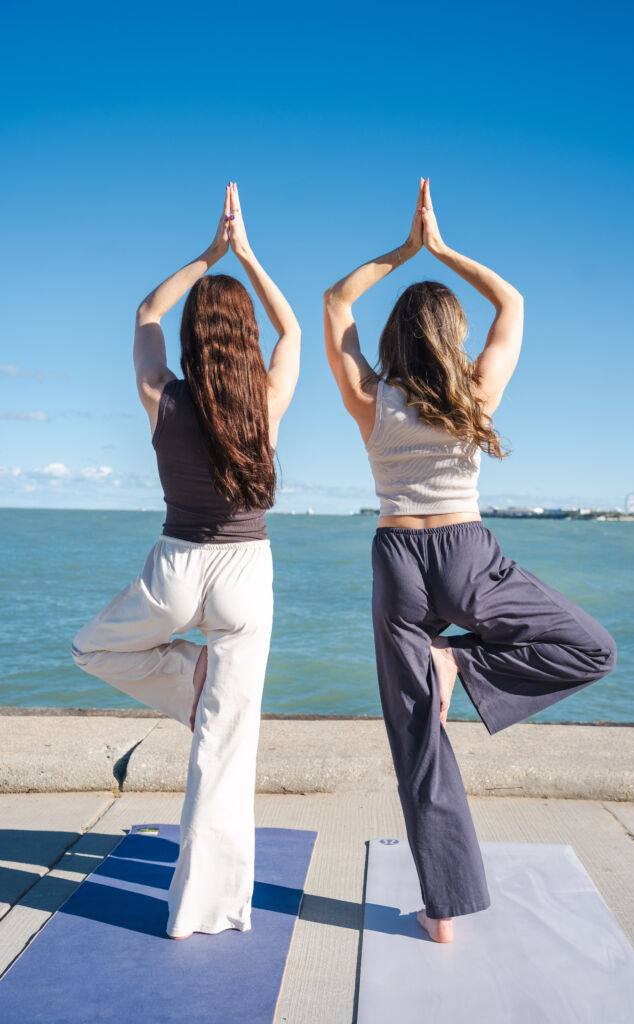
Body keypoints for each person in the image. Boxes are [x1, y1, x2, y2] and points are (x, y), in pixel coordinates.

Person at [323, 178, 617, 943]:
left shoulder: (369, 396)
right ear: (450, 335)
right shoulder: (475, 393)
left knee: (416, 741)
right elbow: (513, 303)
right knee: (591, 649)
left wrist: (402, 250)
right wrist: (445, 248)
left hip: (397, 557)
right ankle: (465, 667)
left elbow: (332, 301)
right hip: (465, 552)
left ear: (396, 336)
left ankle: (443, 908)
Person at [71, 182, 301, 939]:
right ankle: (201, 909)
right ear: (242, 337)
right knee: (224, 752)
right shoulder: (265, 399)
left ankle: (183, 677)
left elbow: (145, 312)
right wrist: (246, 255)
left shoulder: (160, 394)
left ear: (196, 336)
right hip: (245, 573)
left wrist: (206, 254)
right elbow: (292, 328)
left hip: (174, 565)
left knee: (93, 648)